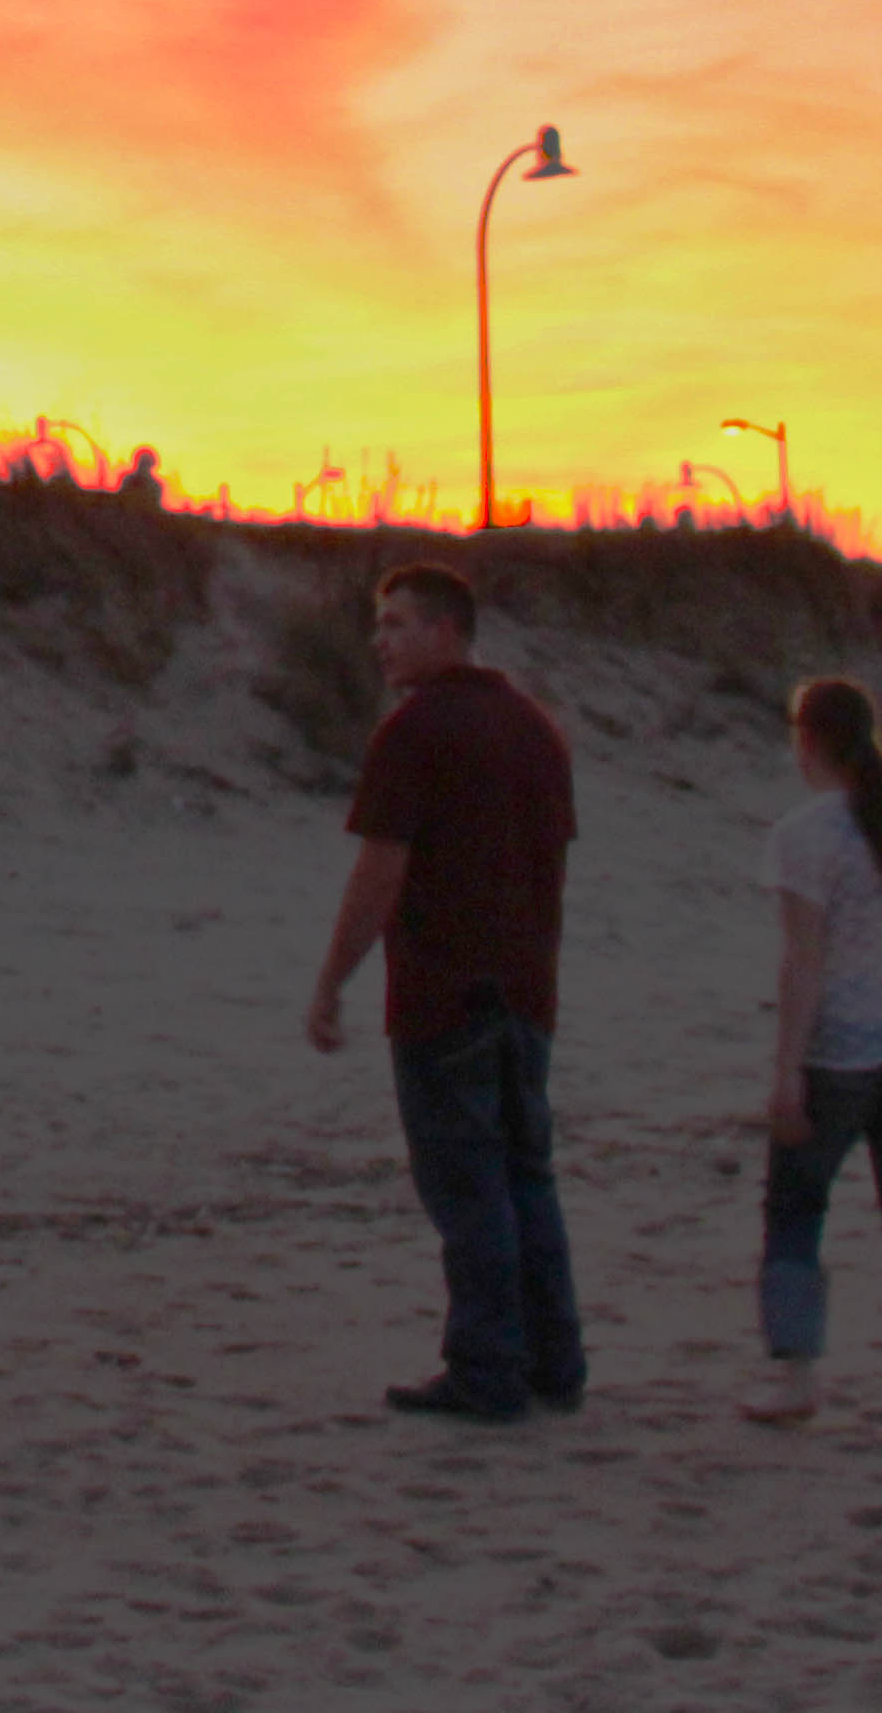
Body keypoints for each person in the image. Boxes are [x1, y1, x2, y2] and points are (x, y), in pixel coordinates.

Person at [301, 561, 586, 1423]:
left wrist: (331, 981)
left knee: (469, 1187)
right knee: (524, 1176)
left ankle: (490, 1365)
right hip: (526, 989)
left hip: (447, 992)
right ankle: (553, 1358)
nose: (380, 642)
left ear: (446, 631)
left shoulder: (419, 730)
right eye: (379, 625)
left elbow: (380, 869)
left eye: (398, 625)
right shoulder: (534, 728)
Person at [743, 676, 882, 1443]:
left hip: (843, 1053)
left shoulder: (804, 835)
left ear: (808, 740)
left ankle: (797, 1376)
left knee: (795, 1208)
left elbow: (802, 963)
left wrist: (785, 1071)